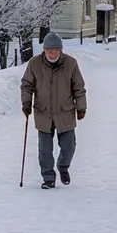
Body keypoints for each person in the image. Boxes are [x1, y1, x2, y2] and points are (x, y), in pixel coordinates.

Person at [20, 32, 87, 189]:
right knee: (45, 150)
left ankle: (63, 167)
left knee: (69, 146)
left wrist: (81, 107)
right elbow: (27, 85)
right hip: (43, 112)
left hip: (65, 111)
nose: (52, 54)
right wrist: (26, 103)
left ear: (61, 50)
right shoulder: (34, 64)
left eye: (55, 50)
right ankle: (48, 177)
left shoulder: (71, 64)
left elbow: (79, 87)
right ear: (44, 50)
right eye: (49, 50)